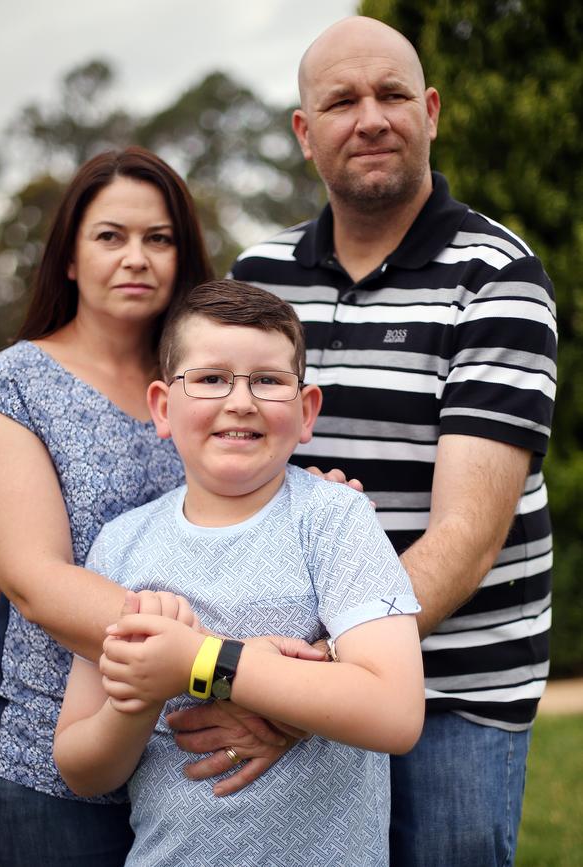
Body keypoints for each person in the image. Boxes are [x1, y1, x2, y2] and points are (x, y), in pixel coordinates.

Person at [228, 16, 557, 867]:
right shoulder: (255, 281)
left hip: (453, 693)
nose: (370, 117)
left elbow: (467, 534)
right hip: (295, 667)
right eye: (341, 101)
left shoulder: (499, 276)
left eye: (392, 95)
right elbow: (209, 464)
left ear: (432, 111)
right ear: (306, 134)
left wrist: (318, 681)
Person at [53, 278, 425, 867]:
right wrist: (137, 699)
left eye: (269, 380)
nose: (241, 401)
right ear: (162, 407)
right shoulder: (121, 544)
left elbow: (395, 711)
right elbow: (79, 766)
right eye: (210, 378)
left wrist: (201, 662)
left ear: (306, 412)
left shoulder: (335, 520)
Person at [0, 146, 214, 866]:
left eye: (158, 238)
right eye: (110, 236)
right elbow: (36, 582)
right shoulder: (10, 387)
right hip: (43, 781)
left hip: (190, 780)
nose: (137, 257)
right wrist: (225, 669)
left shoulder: (206, 381)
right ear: (68, 257)